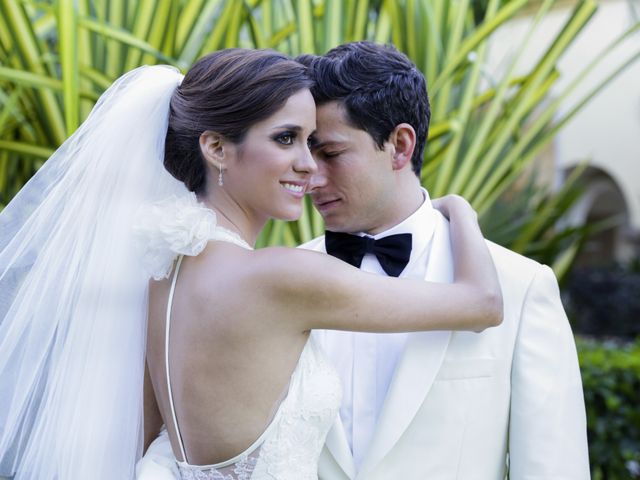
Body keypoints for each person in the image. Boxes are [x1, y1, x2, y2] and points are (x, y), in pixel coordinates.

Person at [0, 49, 501, 480]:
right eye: (286, 139)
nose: (308, 165)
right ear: (216, 147)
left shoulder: (165, 273)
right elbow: (482, 303)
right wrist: (459, 208)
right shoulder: (284, 276)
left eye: (313, 141)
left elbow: (148, 436)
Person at [294, 42, 589, 479]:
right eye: (301, 149)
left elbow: (554, 468)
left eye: (331, 153)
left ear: (400, 145)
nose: (310, 176)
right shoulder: (281, 281)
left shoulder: (521, 287)